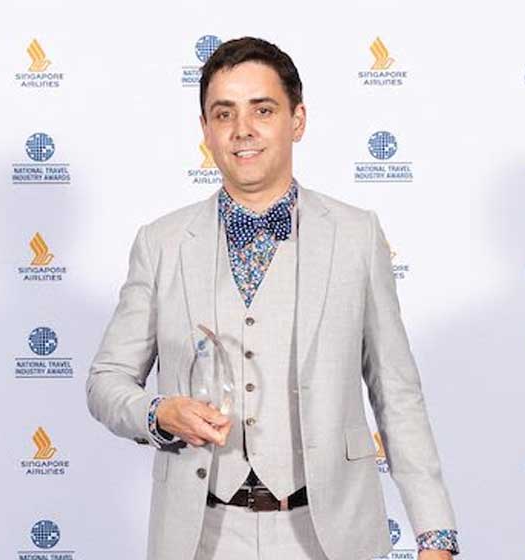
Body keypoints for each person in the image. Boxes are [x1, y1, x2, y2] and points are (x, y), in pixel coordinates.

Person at [86, 36, 460, 560]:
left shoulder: (356, 236)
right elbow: (106, 382)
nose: (243, 129)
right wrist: (158, 412)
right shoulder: (161, 244)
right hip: (200, 537)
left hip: (329, 537)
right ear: (206, 131)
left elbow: (396, 392)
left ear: (297, 120)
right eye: (224, 114)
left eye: (262, 110)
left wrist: (435, 534)